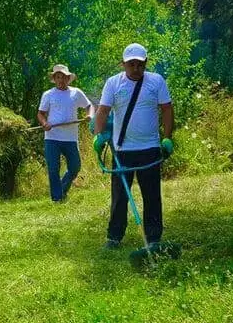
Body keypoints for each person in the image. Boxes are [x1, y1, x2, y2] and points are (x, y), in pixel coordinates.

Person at [94, 43, 175, 249]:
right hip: (122, 150)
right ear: (123, 64)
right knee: (120, 196)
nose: (136, 68)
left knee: (152, 195)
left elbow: (166, 109)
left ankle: (154, 238)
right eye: (132, 64)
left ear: (145, 63)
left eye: (140, 64)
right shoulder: (113, 83)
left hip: (150, 148)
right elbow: (102, 111)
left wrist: (167, 137)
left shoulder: (156, 81)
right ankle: (114, 237)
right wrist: (98, 136)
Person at [37, 64, 92, 202]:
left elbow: (89, 106)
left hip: (70, 138)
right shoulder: (48, 95)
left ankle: (62, 189)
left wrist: (89, 115)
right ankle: (57, 198)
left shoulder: (76, 93)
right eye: (58, 77)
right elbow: (41, 113)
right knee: (53, 168)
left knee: (75, 166)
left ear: (68, 78)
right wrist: (44, 123)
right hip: (52, 137)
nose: (61, 80)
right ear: (54, 79)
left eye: (64, 77)